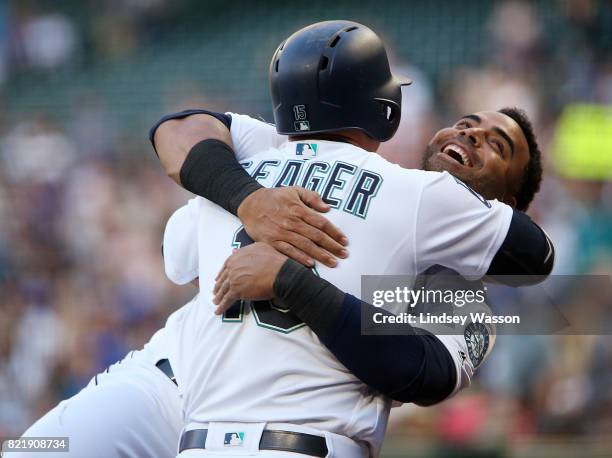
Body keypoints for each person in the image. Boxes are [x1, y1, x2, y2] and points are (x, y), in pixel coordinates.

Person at [16, 20, 552, 458]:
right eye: (466, 122)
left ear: (503, 208)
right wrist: (247, 197)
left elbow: (426, 374)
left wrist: (293, 282)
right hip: (164, 384)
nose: (471, 134)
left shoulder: (455, 288)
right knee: (32, 451)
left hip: (278, 431)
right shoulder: (307, 149)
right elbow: (176, 129)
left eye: (498, 146)